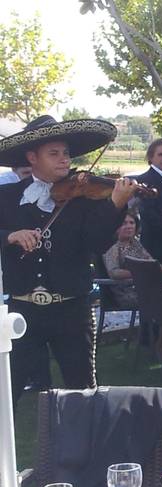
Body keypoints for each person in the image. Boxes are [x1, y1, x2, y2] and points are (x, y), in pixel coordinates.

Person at [0, 115, 137, 407]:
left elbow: (96, 243)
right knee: (6, 392)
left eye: (66, 153)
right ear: (31, 157)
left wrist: (115, 204)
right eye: (54, 154)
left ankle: (87, 452)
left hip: (71, 310)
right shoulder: (7, 196)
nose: (64, 160)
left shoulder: (84, 197)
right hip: (22, 311)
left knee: (83, 392)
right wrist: (10, 236)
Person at [102, 211, 162, 307]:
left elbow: (151, 263)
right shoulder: (112, 246)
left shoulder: (136, 244)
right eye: (124, 223)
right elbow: (114, 272)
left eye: (132, 223)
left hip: (144, 287)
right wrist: (139, 272)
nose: (129, 226)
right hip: (125, 292)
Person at [135, 138, 162, 271]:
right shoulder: (144, 180)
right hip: (156, 242)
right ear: (151, 157)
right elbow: (147, 213)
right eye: (160, 155)